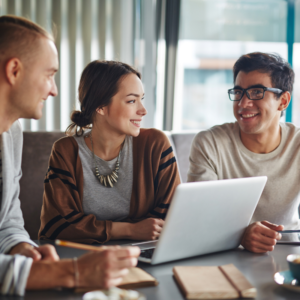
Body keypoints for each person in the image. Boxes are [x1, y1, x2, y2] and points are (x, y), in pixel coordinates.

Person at [0, 15, 139, 296]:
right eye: (49, 74)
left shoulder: (11, 132)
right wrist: (70, 272)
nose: (54, 90)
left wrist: (22, 248)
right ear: (14, 70)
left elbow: (7, 223)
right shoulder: (66, 150)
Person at [39, 60, 181, 243]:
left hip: (143, 251)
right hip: (86, 256)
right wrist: (131, 229)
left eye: (141, 99)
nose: (143, 110)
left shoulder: (155, 144)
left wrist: (89, 228)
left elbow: (171, 217)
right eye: (131, 101)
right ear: (100, 107)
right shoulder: (66, 151)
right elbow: (57, 224)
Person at [188, 52, 298, 254]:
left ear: (283, 101)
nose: (243, 103)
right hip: (224, 251)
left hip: (289, 254)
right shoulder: (210, 143)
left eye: (256, 92)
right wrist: (240, 234)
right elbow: (199, 217)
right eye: (239, 92)